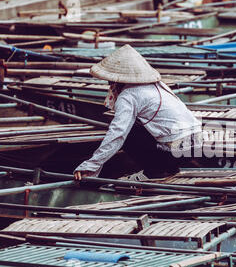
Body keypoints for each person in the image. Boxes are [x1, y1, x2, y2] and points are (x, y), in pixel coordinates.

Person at [73, 44, 202, 181]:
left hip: (177, 151)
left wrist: (91, 165)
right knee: (136, 126)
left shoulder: (128, 95)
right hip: (195, 146)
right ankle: (168, 169)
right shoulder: (158, 85)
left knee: (128, 132)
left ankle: (154, 171)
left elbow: (118, 133)